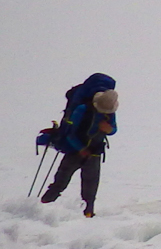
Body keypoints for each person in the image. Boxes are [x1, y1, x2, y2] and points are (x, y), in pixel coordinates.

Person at [39, 72, 118, 217]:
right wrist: (80, 148)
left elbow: (114, 129)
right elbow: (70, 133)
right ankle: (44, 204)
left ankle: (89, 211)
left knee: (91, 183)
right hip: (75, 150)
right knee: (62, 178)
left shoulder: (109, 113)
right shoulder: (82, 109)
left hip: (94, 151)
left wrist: (110, 129)